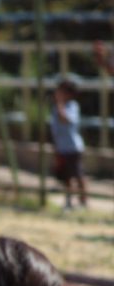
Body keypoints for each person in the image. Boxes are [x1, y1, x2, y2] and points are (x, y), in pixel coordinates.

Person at [50, 76, 87, 210]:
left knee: (78, 175)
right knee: (66, 177)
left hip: (73, 147)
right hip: (62, 147)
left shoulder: (72, 106)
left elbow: (66, 120)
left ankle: (83, 201)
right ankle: (68, 202)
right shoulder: (56, 108)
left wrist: (60, 104)